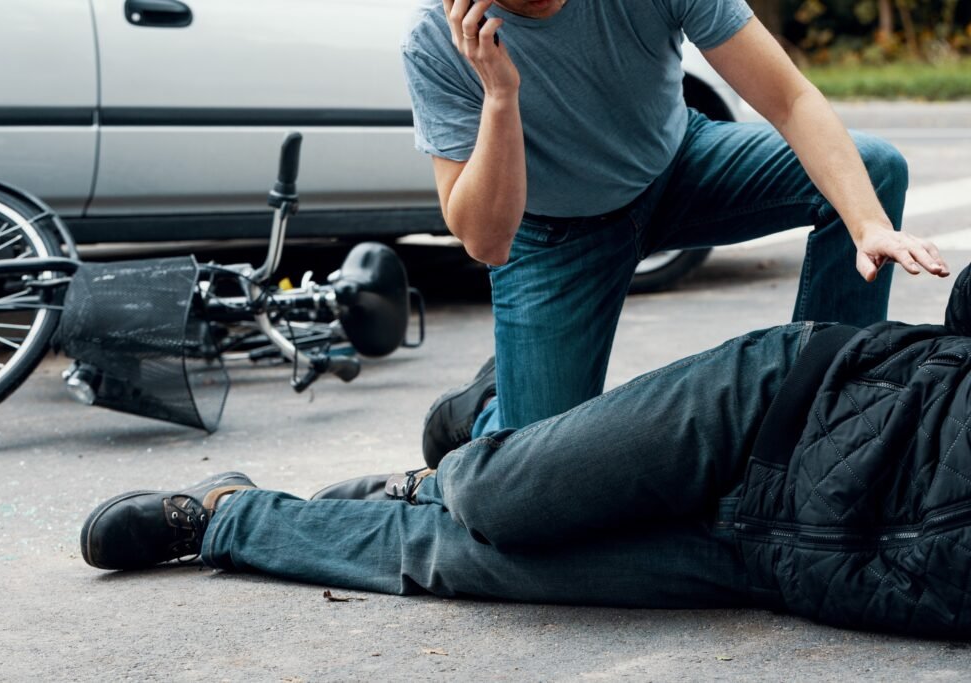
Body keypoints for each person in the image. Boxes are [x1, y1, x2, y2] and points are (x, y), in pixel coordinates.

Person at [82, 264, 971, 638]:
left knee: (466, 556)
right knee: (500, 499)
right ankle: (480, 429)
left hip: (779, 555)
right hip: (786, 405)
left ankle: (230, 516)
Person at [405, 0, 951, 467]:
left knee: (873, 167)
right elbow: (487, 241)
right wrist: (500, 94)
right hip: (555, 232)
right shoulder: (434, 40)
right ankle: (484, 405)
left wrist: (868, 224)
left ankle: (827, 426)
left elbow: (791, 99)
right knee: (530, 475)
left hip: (679, 165)